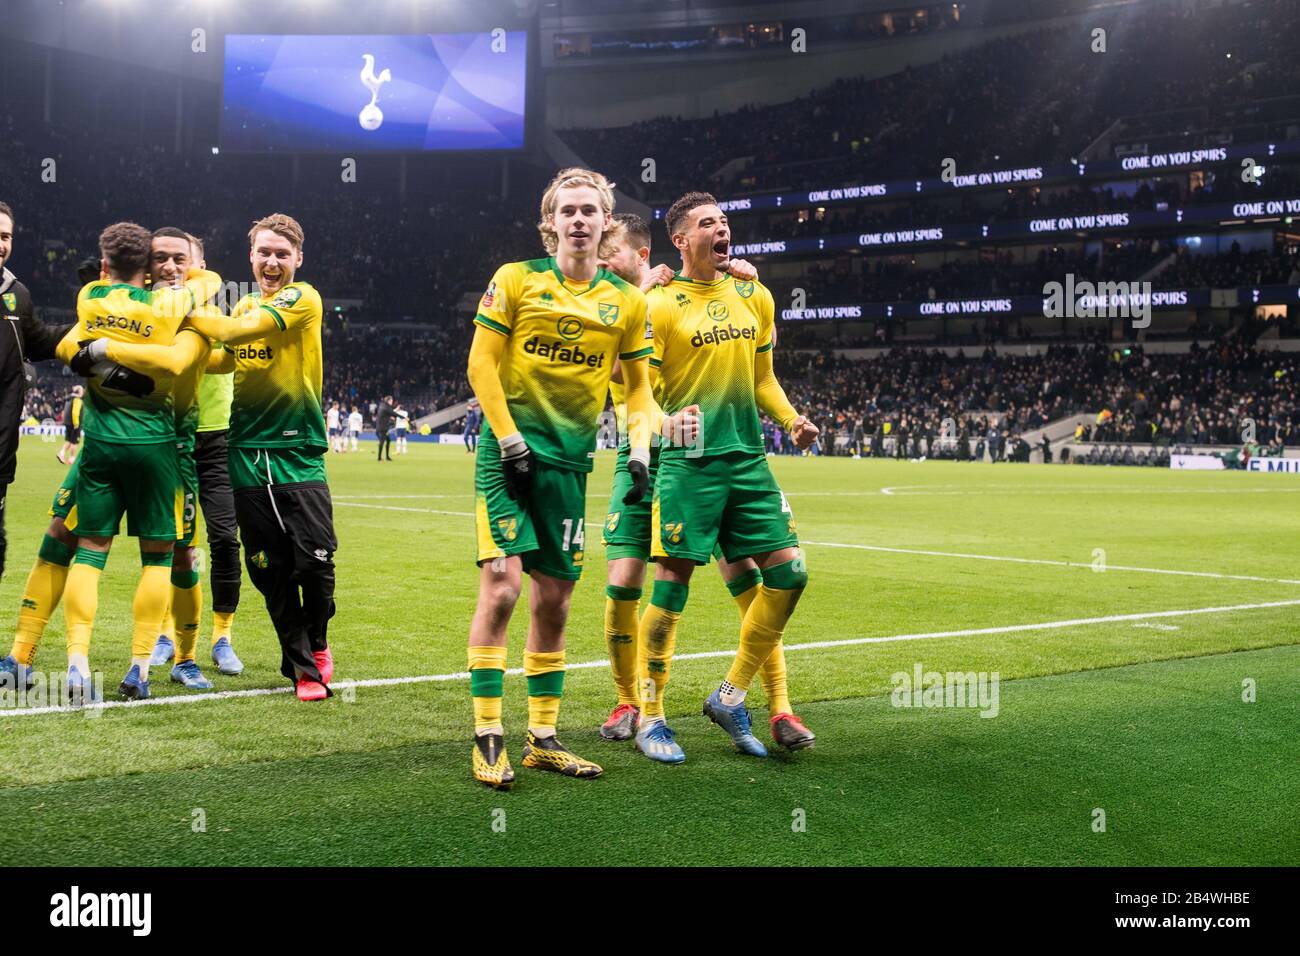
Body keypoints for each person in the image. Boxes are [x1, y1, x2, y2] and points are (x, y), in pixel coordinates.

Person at [593, 213, 813, 759]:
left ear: (643, 252)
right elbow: (621, 377)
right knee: (636, 581)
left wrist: (792, 421)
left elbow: (762, 372)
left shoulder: (749, 290)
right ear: (681, 240)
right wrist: (638, 304)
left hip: (735, 456)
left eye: (608, 252)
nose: (600, 261)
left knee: (769, 576)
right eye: (708, 222)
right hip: (660, 453)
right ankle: (641, 708)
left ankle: (762, 701)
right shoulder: (638, 300)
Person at [464, 167, 654, 789]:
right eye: (567, 211)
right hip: (508, 457)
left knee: (556, 601)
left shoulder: (626, 303)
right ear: (551, 224)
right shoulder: (515, 280)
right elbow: (481, 366)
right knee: (502, 587)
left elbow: (639, 393)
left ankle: (542, 737)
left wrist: (641, 455)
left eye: (589, 212)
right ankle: (488, 733)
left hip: (571, 467)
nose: (578, 220)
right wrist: (510, 438)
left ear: (605, 224)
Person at [52, 222, 219, 702]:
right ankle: (140, 667)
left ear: (105, 265)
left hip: (101, 443)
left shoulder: (89, 296)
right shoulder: (172, 306)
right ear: (147, 267)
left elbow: (69, 348)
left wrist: (101, 352)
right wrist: (198, 280)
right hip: (158, 445)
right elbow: (201, 294)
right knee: (160, 558)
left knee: (89, 552)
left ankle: (78, 663)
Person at [183, 213, 337, 702]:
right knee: (268, 567)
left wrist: (180, 312)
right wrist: (174, 346)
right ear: (251, 257)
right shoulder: (245, 302)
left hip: (297, 450)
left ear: (298, 259)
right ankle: (303, 671)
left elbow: (238, 333)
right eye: (263, 253)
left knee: (315, 562)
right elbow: (220, 358)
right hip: (244, 452)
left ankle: (317, 639)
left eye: (281, 253)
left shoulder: (302, 298)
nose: (272, 261)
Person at [0, 200, 71, 608]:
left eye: (6, 236)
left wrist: (95, 321)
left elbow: (42, 342)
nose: (1, 243)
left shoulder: (17, 294)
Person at [57, 385, 84, 465]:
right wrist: (76, 423)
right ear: (79, 392)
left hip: (68, 423)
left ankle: (61, 453)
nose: (83, 392)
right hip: (74, 423)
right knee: (74, 442)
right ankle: (72, 458)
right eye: (82, 390)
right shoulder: (77, 399)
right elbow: (75, 412)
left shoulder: (69, 398)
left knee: (68, 440)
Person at [375, 394, 394, 462]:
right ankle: (379, 458)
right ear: (389, 400)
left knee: (388, 441)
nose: (392, 401)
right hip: (381, 428)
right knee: (382, 442)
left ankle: (387, 457)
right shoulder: (385, 407)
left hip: (383, 428)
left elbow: (390, 413)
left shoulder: (384, 407)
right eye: (391, 400)